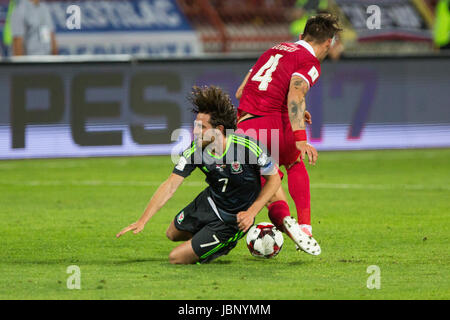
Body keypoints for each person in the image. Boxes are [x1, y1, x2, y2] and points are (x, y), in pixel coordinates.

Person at [116, 86, 281, 264]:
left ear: (218, 129)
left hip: (233, 219)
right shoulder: (196, 150)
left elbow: (274, 180)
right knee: (172, 234)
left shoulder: (247, 146)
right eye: (195, 125)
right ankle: (204, 240)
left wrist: (251, 212)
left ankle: (222, 242)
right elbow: (170, 185)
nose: (195, 131)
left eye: (201, 127)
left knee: (175, 258)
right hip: (210, 202)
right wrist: (143, 220)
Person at [235, 13, 342, 256]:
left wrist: (288, 110)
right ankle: (304, 225)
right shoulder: (310, 62)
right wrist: (301, 138)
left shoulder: (272, 51)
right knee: (294, 162)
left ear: (301, 36)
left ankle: (284, 219)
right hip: (273, 124)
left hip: (246, 126)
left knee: (266, 182)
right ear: (329, 42)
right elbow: (295, 95)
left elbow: (242, 91)